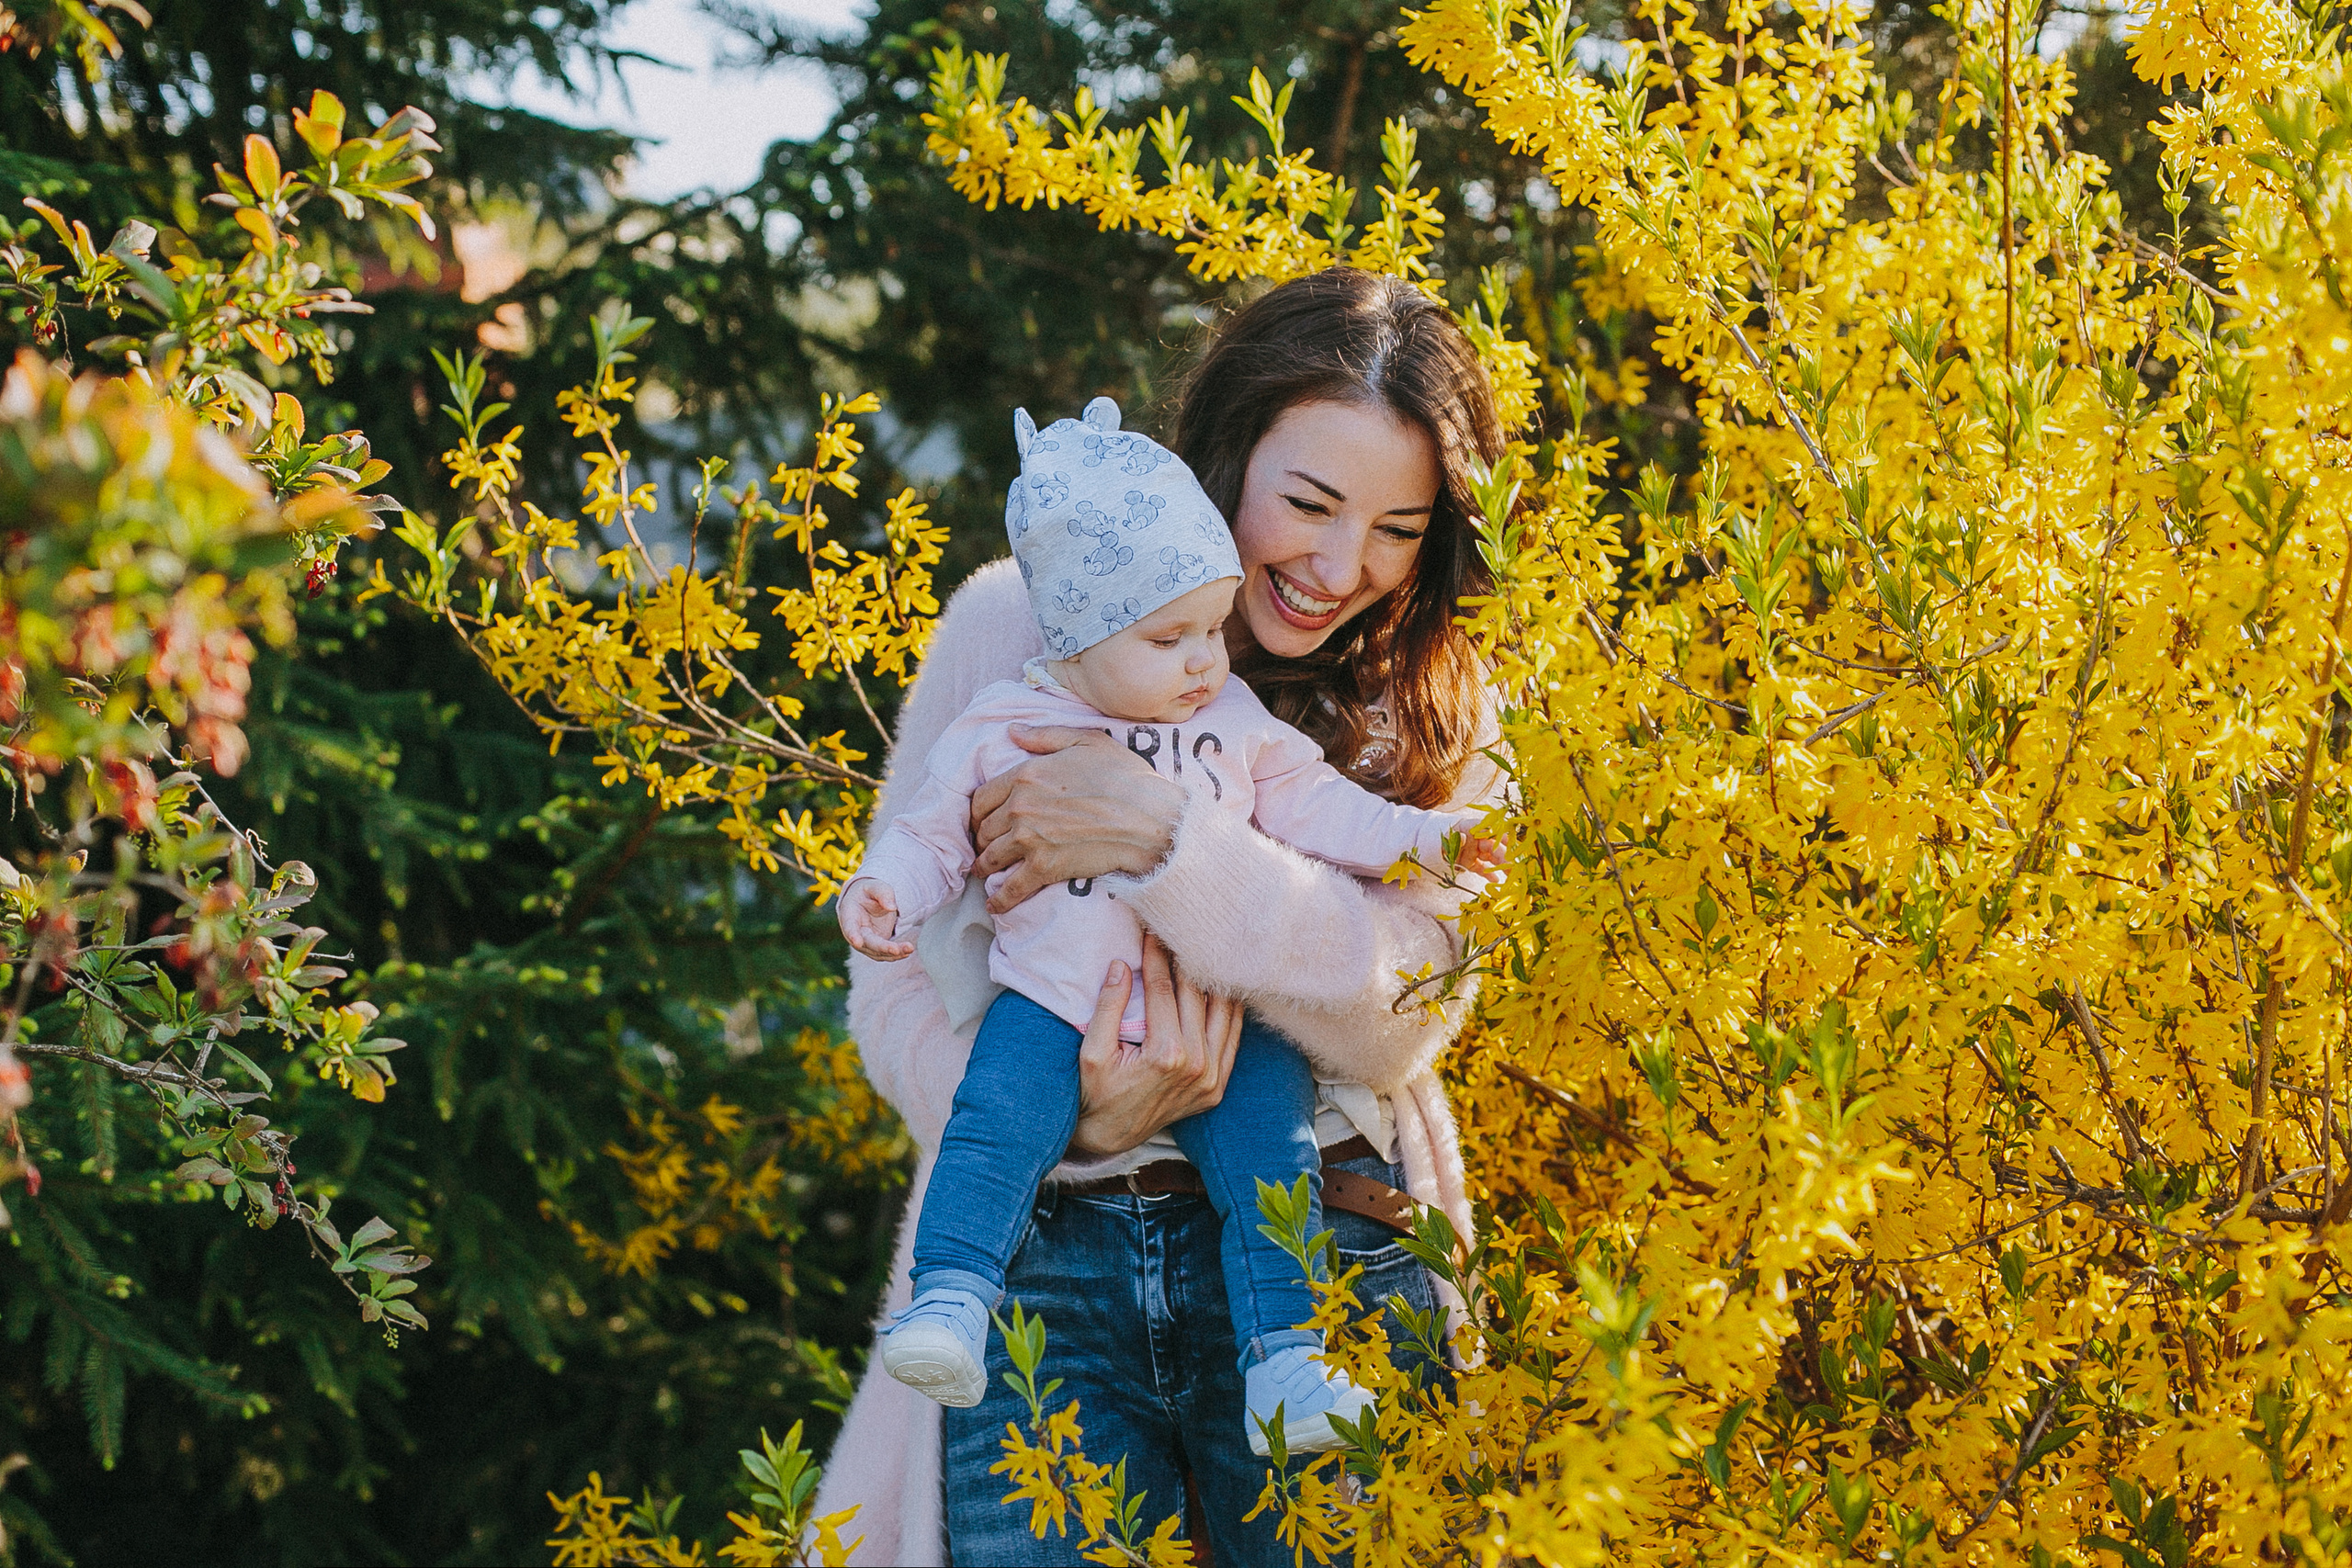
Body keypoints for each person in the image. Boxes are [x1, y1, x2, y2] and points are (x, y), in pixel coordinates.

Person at [813, 266, 1506, 1566]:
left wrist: (1168, 842)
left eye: (1399, 528)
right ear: (1222, 456)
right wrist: (1064, 1116)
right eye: (1306, 503)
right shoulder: (1014, 627)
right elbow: (891, 986)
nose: (1340, 566)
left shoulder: (1437, 706)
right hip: (1043, 1256)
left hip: (1330, 1248)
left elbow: (1413, 1007)